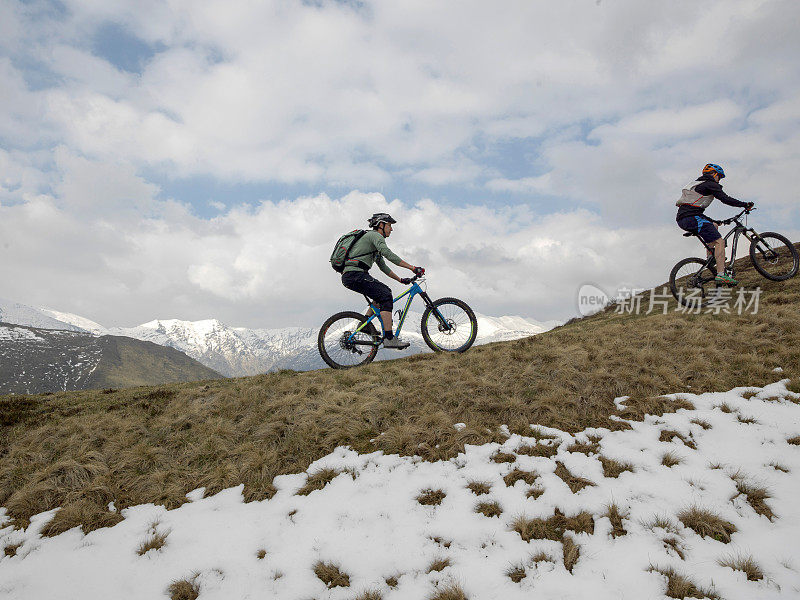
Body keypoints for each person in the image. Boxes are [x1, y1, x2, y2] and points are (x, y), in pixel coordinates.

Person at [341, 213, 424, 349]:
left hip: (352, 275)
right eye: (389, 225)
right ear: (381, 225)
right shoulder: (375, 236)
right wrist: (413, 268)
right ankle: (389, 338)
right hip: (355, 274)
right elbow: (389, 254)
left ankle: (366, 325)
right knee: (385, 295)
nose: (391, 229)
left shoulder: (372, 243)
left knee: (380, 295)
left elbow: (383, 266)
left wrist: (400, 279)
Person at [676, 163, 753, 285]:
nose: (719, 180)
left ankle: (711, 258)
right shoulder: (710, 184)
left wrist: (714, 221)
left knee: (714, 226)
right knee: (720, 242)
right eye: (720, 177)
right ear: (714, 174)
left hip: (685, 218)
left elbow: (692, 208)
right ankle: (721, 275)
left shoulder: (698, 184)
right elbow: (725, 198)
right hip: (692, 217)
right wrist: (744, 204)